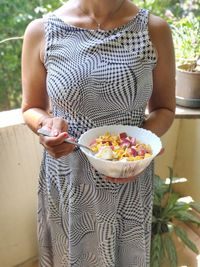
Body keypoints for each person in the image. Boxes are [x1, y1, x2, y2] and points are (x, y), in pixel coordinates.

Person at [21, 0, 175, 266]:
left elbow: (164, 109)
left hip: (129, 177)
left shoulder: (154, 30)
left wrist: (135, 152)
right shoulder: (42, 31)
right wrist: (47, 127)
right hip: (69, 176)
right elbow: (32, 107)